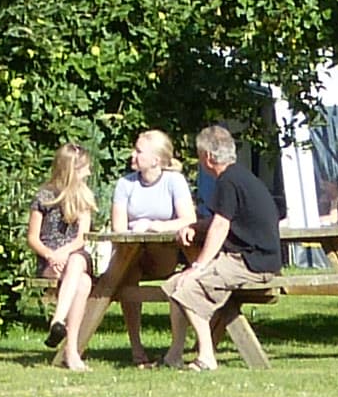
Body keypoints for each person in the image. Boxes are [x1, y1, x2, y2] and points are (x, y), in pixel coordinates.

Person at [165, 122, 283, 370]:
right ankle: (173, 356)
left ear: (207, 157)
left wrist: (198, 265)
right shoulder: (239, 177)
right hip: (250, 259)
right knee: (174, 284)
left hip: (254, 263)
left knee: (189, 285)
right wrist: (196, 227)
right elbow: (223, 217)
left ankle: (206, 356)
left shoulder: (228, 181)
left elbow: (221, 226)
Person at [77, 130, 194, 365]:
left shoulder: (174, 181)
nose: (133, 154)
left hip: (165, 254)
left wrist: (155, 226)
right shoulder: (125, 184)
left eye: (139, 151)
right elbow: (119, 227)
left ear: (156, 159)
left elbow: (188, 219)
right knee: (126, 273)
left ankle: (177, 347)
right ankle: (135, 348)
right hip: (130, 254)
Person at [25, 145, 99, 370]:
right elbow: (33, 238)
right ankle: (72, 351)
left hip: (74, 255)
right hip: (51, 261)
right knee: (83, 283)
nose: (88, 173)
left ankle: (57, 320)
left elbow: (80, 238)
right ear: (71, 170)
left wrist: (63, 253)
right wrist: (50, 255)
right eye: (84, 168)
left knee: (76, 262)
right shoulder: (44, 196)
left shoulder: (84, 197)